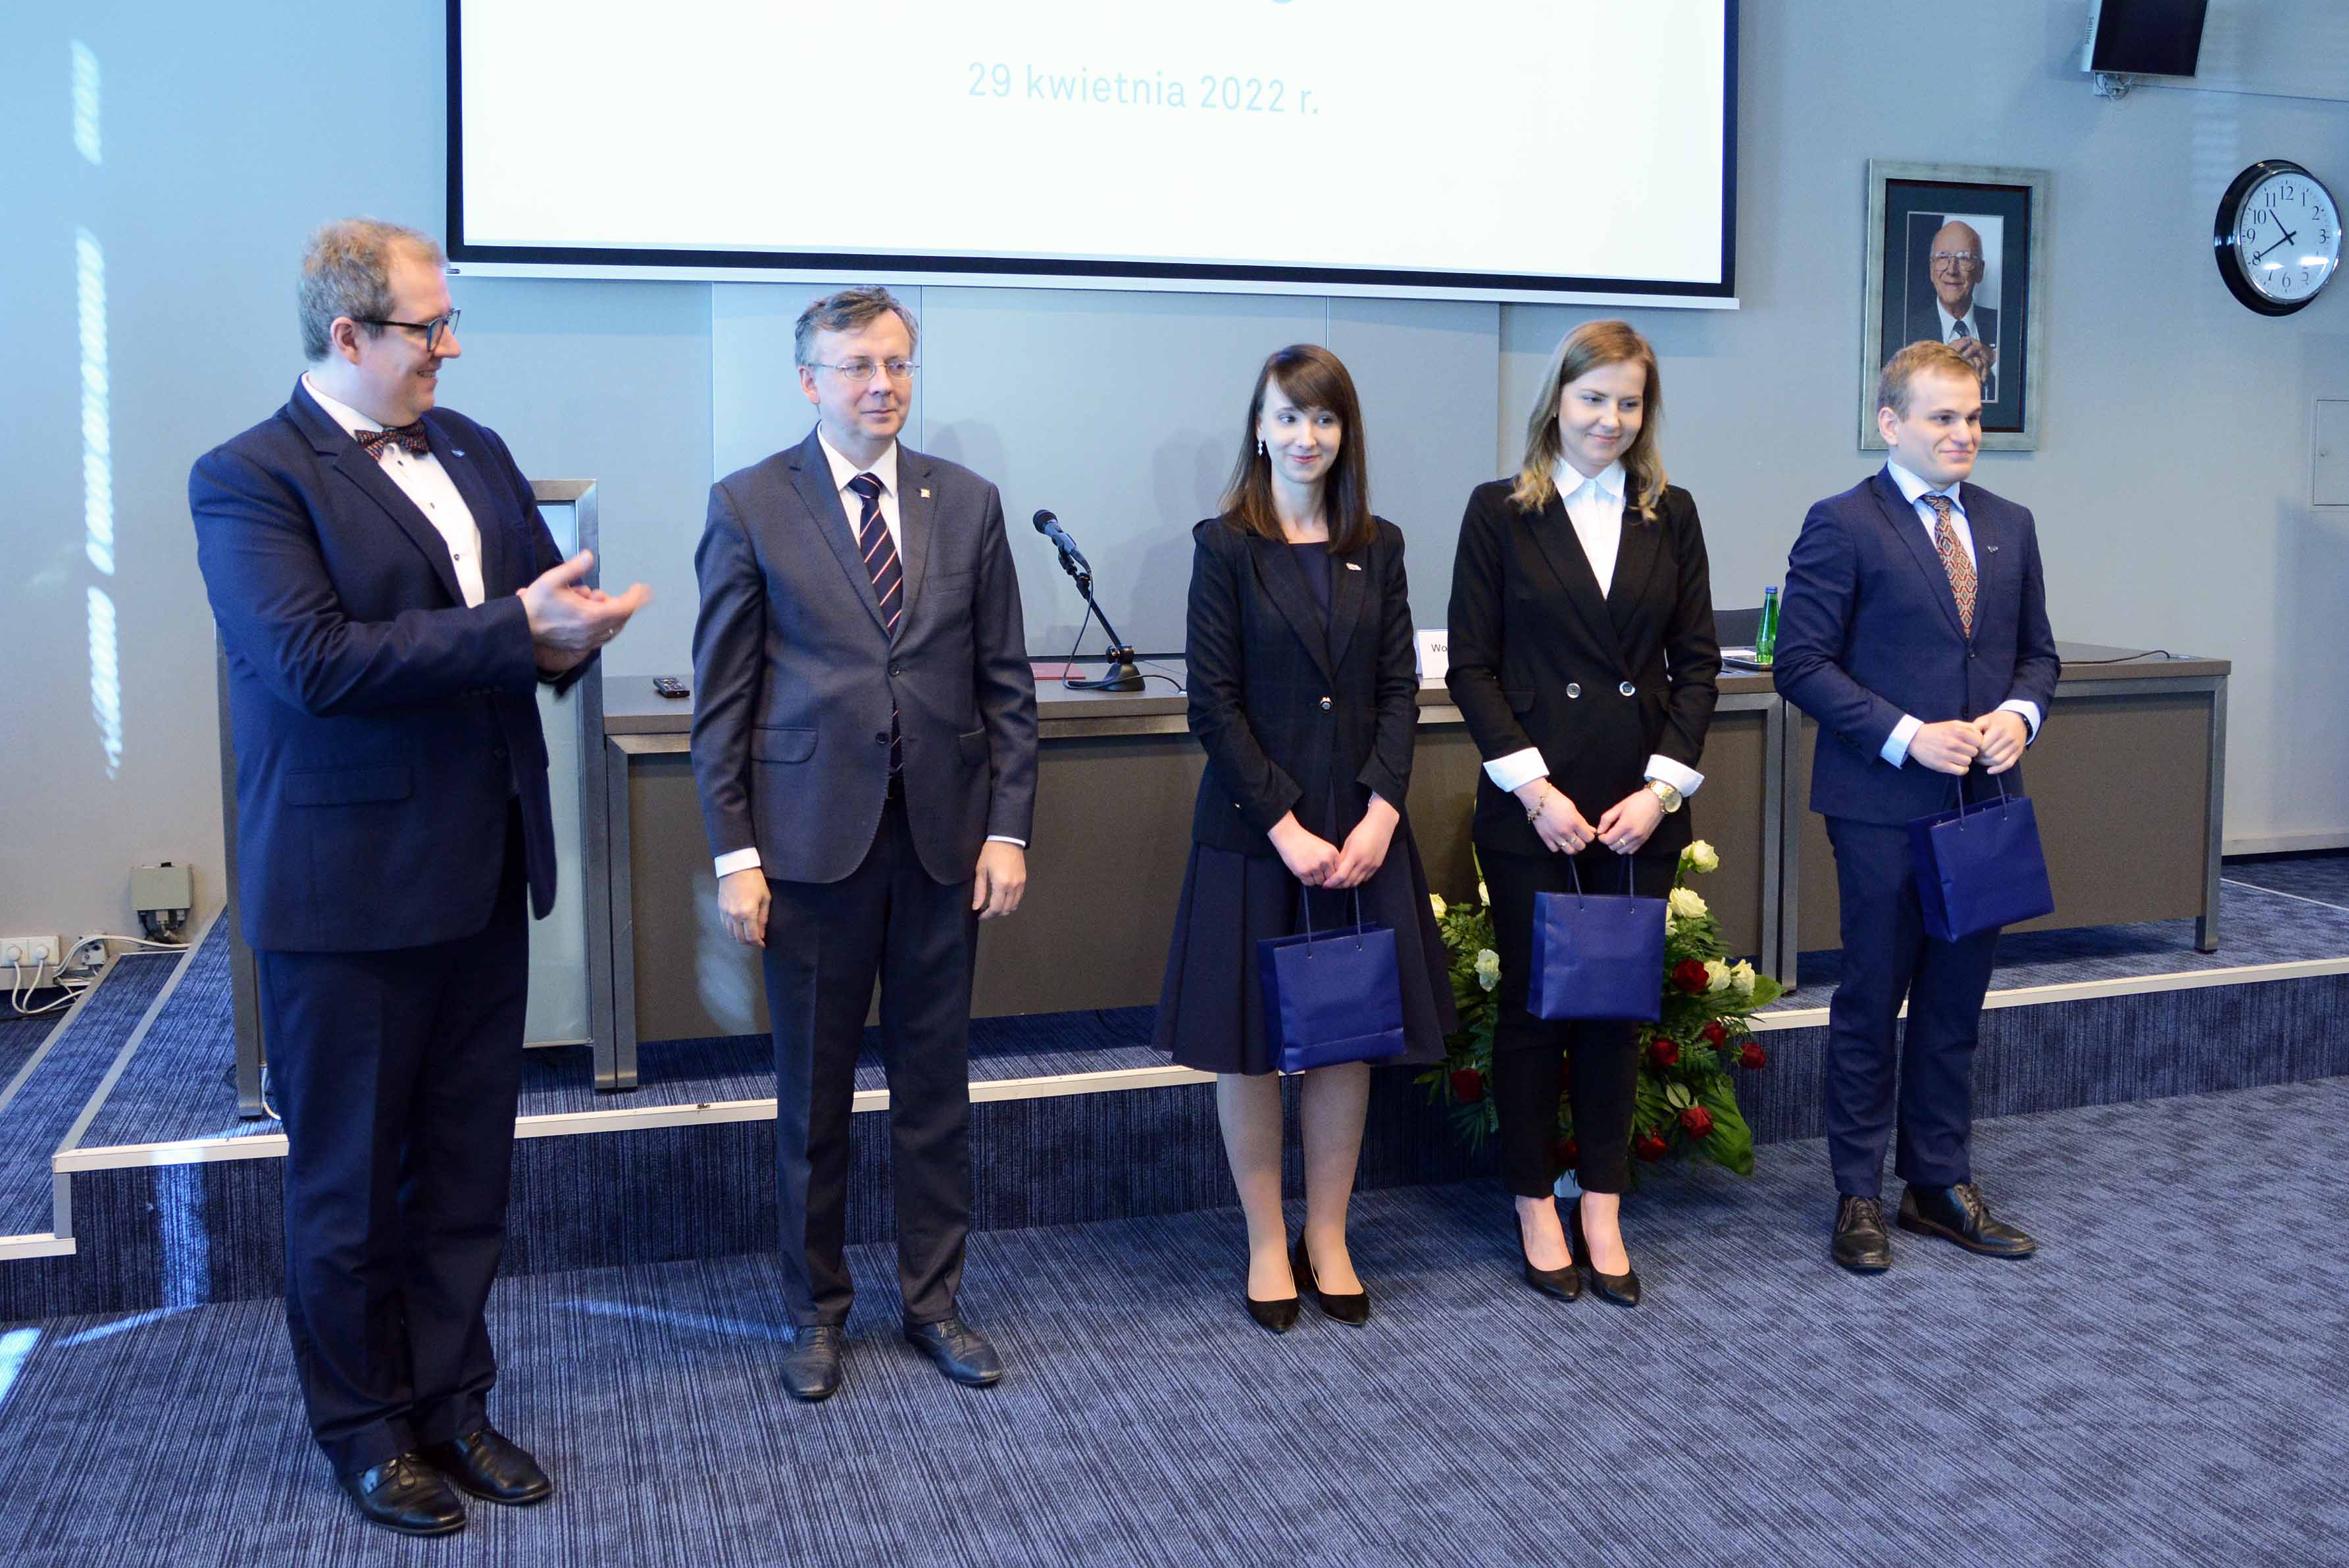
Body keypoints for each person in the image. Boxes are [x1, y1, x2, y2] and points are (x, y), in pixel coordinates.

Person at [189, 218, 648, 1536]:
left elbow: (526, 623)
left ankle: (451, 1405)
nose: (450, 346)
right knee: (348, 1185)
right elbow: (314, 664)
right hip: (346, 892)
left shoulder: (475, 448)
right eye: (427, 326)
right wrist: (515, 627)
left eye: (448, 322)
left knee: (462, 1173)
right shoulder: (248, 478)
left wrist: (571, 634)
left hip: (482, 866)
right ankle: (365, 1432)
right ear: (347, 333)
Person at [691, 286, 1038, 1402]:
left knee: (936, 1090)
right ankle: (816, 1309)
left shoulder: (967, 501)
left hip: (942, 847)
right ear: (810, 381)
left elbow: (1006, 684)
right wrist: (736, 855)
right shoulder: (750, 502)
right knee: (815, 1096)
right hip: (807, 852)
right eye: (856, 366)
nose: (881, 384)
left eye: (895, 363)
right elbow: (722, 702)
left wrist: (1007, 828)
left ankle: (933, 1302)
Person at [1154, 345, 1456, 1333]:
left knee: (1343, 1043)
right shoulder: (1224, 546)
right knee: (1250, 1052)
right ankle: (1264, 1241)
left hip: (1361, 835)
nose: (1306, 436)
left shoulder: (1381, 543)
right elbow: (1213, 704)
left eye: (1323, 419)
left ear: (1345, 433)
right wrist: (1285, 824)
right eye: (1288, 416)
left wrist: (1381, 812)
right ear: (1259, 427)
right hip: (1258, 836)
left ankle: (1328, 1235)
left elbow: (1400, 690)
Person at [1445, 320, 1719, 1310]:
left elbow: (1699, 665)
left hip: (1637, 807)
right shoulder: (1499, 510)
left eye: (1629, 402)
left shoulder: (1670, 512)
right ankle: (1533, 1204)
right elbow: (1471, 667)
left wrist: (1661, 791)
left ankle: (1601, 1205)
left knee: (1615, 1008)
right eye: (1593, 397)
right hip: (1536, 806)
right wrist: (1535, 790)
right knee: (1533, 1010)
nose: (1610, 418)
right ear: (1557, 400)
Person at [1773, 339, 2059, 1275]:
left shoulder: (2010, 523)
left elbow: (2037, 655)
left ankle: (1936, 1182)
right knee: (1871, 997)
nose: (1963, 433)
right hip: (1879, 801)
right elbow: (1800, 664)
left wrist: (2020, 715)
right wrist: (1905, 734)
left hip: (1984, 803)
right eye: (1943, 417)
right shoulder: (1842, 523)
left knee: (1954, 1001)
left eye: (1973, 416)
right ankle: (1857, 1191)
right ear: (1889, 422)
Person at [1902, 219, 2000, 397]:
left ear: (1980, 271)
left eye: (1964, 258)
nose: (1952, 270)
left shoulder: (2004, 326)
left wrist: (1995, 360)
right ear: (1932, 270)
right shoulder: (1905, 331)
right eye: (1943, 257)